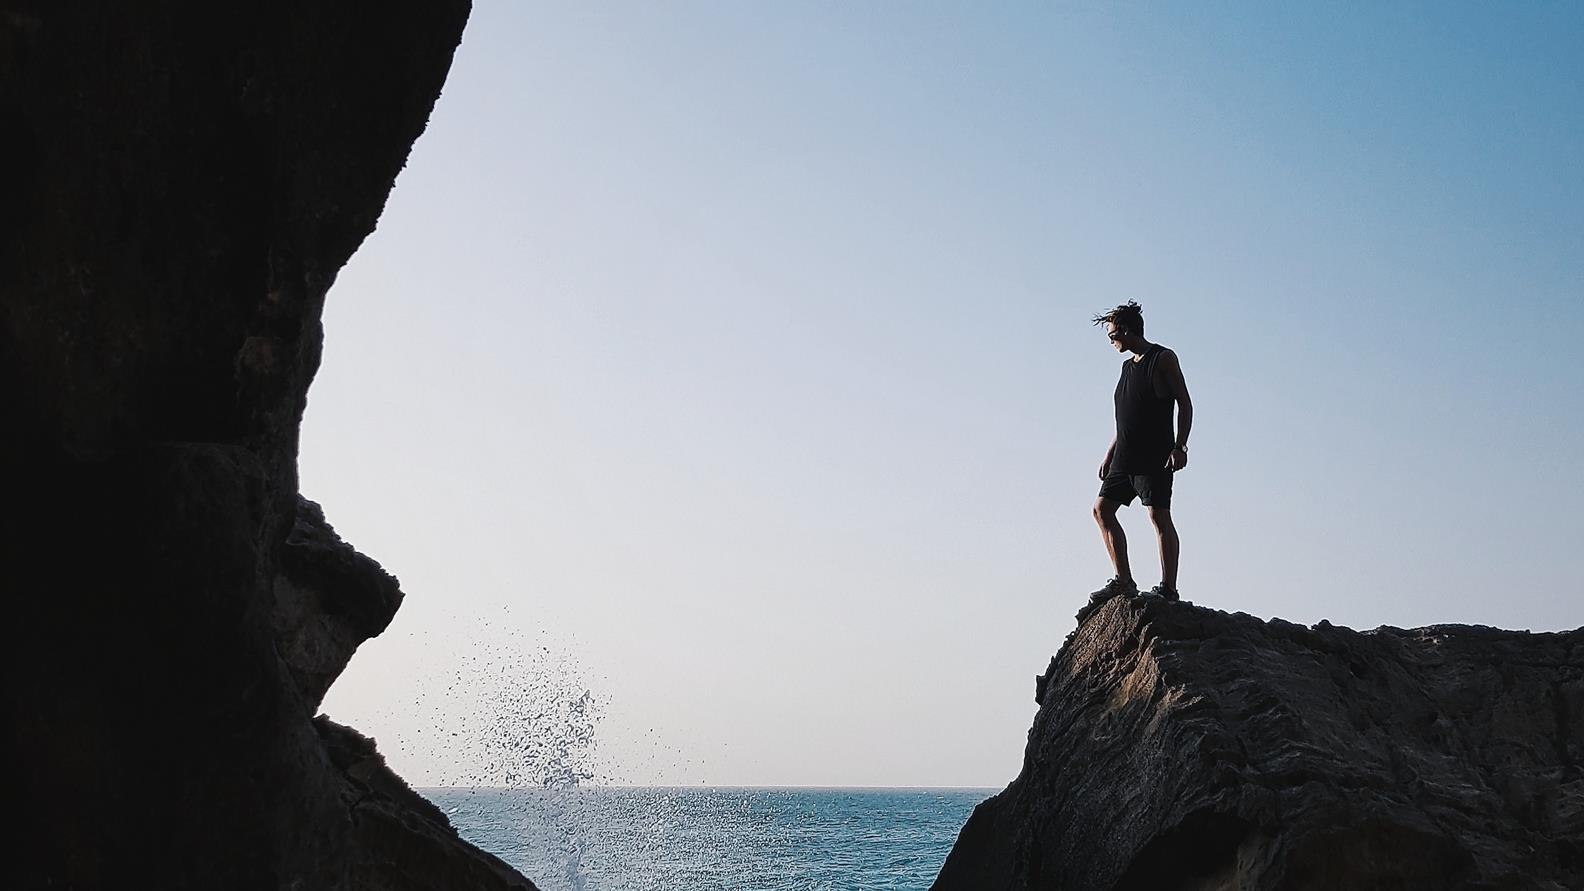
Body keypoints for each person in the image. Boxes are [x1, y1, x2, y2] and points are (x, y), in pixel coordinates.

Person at [1088, 301, 1193, 604]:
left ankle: (1168, 589)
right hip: (1124, 457)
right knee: (1101, 509)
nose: (1111, 341)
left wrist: (1180, 446)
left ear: (1125, 330)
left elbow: (1184, 403)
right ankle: (1124, 581)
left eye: (1111, 336)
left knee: (1158, 516)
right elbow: (1126, 417)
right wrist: (1110, 454)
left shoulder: (1162, 359)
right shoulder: (1126, 367)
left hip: (1154, 455)